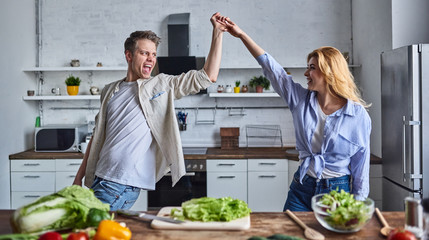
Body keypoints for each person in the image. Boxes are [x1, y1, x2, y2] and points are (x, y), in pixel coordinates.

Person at [73, 12, 227, 211]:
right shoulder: (109, 90)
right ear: (129, 55)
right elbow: (97, 137)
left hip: (120, 183)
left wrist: (218, 33)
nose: (151, 59)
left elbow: (208, 76)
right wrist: (79, 178)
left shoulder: (161, 85)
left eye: (153, 54)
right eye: (145, 53)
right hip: (100, 179)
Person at [217, 16, 371, 211]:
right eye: (308, 68)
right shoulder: (300, 100)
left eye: (312, 68)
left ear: (329, 72)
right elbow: (273, 70)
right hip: (302, 187)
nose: (306, 73)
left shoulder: (356, 115)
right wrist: (241, 35)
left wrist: (359, 205)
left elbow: (361, 165)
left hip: (336, 193)